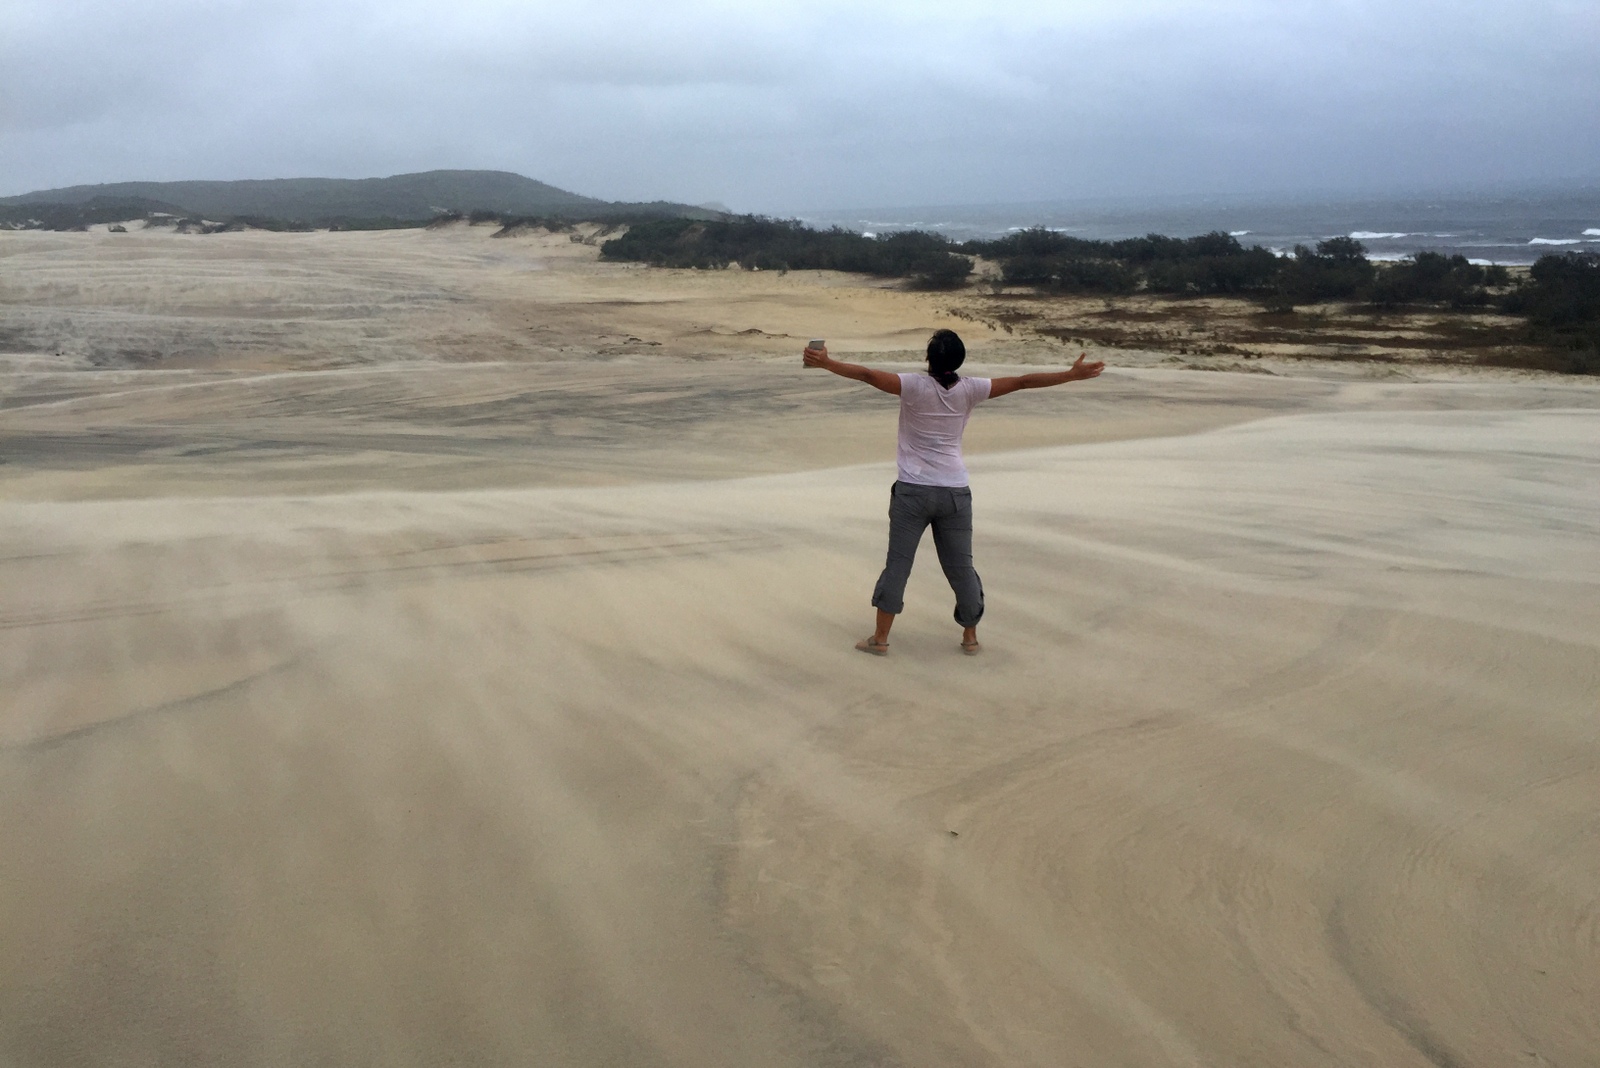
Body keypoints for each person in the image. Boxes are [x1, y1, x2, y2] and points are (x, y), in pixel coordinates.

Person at [803, 329, 1104, 656]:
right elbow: (1022, 382)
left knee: (898, 564)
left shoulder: (913, 386)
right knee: (961, 566)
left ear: (928, 359)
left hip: (913, 491)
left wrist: (827, 363)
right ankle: (970, 638)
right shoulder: (972, 389)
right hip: (955, 493)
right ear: (959, 360)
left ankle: (881, 639)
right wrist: (1070, 375)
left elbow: (867, 375)